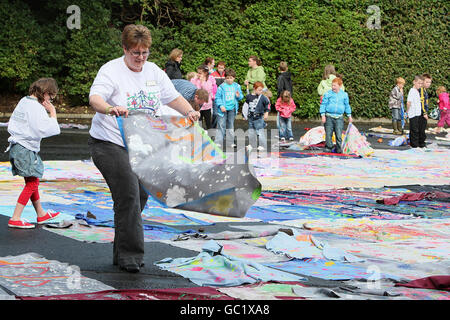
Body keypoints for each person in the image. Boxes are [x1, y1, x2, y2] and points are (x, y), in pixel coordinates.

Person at [88, 24, 200, 273]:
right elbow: (94, 98)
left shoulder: (153, 72)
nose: (140, 58)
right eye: (135, 53)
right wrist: (109, 108)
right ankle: (131, 255)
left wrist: (190, 111)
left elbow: (171, 97)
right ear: (125, 49)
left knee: (140, 195)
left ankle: (120, 250)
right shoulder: (111, 70)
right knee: (127, 192)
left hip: (140, 144)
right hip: (109, 143)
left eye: (145, 53)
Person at [6, 78, 61, 229]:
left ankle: (41, 213)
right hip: (25, 149)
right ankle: (15, 217)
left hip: (18, 146)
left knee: (32, 180)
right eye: (51, 96)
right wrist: (52, 112)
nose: (51, 99)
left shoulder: (24, 101)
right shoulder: (36, 108)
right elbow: (44, 129)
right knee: (32, 183)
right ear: (45, 93)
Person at [319, 77, 352, 153]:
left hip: (339, 117)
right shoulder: (328, 94)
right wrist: (323, 115)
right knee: (328, 133)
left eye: (335, 85)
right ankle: (328, 147)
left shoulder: (344, 95)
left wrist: (349, 116)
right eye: (332, 85)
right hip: (329, 116)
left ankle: (339, 147)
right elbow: (323, 104)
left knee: (339, 133)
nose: (333, 87)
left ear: (340, 86)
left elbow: (347, 105)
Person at [214, 68, 244, 148]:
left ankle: (230, 142)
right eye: (227, 78)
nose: (229, 80)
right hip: (223, 109)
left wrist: (238, 96)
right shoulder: (221, 87)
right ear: (225, 78)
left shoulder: (237, 86)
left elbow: (240, 97)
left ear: (234, 78)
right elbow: (217, 98)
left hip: (232, 109)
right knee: (221, 125)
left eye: (231, 78)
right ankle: (218, 141)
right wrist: (221, 106)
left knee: (230, 125)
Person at [190, 64, 217, 130]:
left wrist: (202, 82)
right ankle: (198, 137)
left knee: (208, 122)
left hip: (207, 105)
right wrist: (195, 79)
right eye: (197, 72)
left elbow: (206, 91)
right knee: (198, 122)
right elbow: (192, 88)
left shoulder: (210, 79)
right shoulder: (195, 80)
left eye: (200, 73)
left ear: (205, 73)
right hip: (197, 105)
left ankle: (210, 137)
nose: (198, 74)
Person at [245, 81, 270, 151]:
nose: (260, 91)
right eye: (259, 90)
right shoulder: (249, 96)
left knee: (260, 131)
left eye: (261, 90)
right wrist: (244, 114)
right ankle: (252, 144)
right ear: (254, 89)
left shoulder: (262, 97)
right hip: (250, 117)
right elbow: (246, 105)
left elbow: (267, 104)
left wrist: (266, 112)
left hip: (259, 117)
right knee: (251, 132)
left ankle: (262, 145)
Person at [406, 75, 425, 148]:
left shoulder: (416, 91)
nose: (420, 85)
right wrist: (407, 111)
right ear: (414, 82)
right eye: (419, 83)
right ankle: (414, 145)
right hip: (413, 113)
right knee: (414, 130)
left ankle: (415, 144)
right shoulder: (412, 91)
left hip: (417, 113)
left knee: (417, 129)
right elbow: (409, 102)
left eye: (421, 84)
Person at [210, 61, 227, 128]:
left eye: (222, 68)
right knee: (215, 114)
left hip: (224, 96)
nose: (220, 69)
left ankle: (221, 128)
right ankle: (213, 127)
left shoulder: (226, 75)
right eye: (219, 68)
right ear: (217, 67)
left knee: (223, 113)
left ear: (224, 68)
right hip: (215, 96)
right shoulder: (213, 74)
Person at [418, 73, 432, 146]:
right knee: (421, 128)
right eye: (427, 82)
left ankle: (420, 141)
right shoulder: (422, 90)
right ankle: (421, 142)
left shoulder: (425, 90)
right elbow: (422, 102)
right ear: (422, 82)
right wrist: (424, 113)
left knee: (421, 127)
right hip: (421, 113)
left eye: (429, 82)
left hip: (422, 112)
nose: (428, 84)